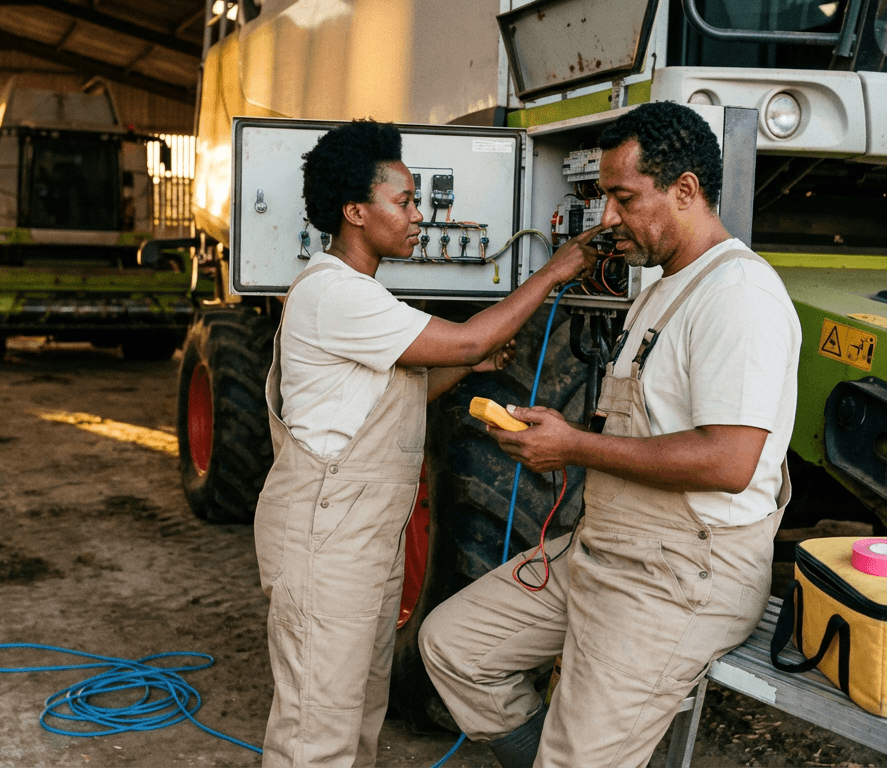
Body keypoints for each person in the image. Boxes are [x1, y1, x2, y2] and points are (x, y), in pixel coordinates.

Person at [418, 101, 802, 768]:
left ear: (685, 189)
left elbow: (731, 460)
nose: (607, 219)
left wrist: (574, 446)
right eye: (603, 198)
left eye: (623, 198)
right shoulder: (663, 287)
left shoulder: (740, 295)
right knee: (453, 647)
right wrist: (562, 442)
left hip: (681, 573)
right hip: (605, 550)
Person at [253, 119, 605, 767]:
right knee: (314, 732)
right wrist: (553, 273)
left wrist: (462, 368)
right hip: (326, 545)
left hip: (361, 541)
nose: (419, 215)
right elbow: (469, 337)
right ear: (356, 212)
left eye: (417, 201)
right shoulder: (334, 293)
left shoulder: (361, 295)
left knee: (356, 715)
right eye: (404, 202)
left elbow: (396, 398)